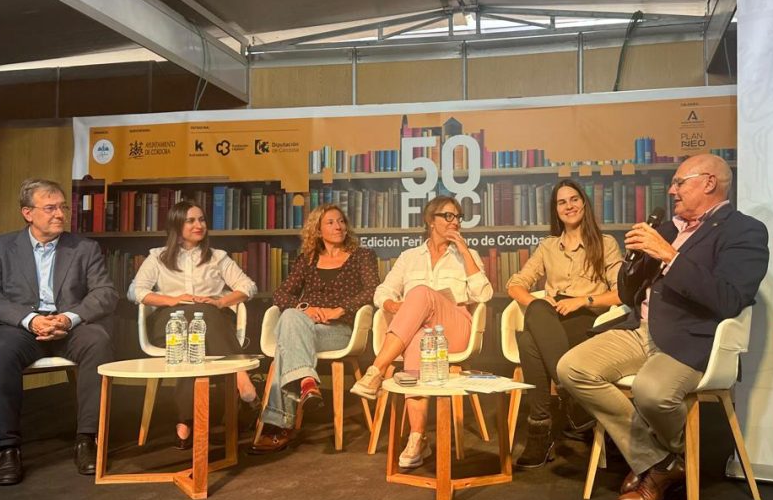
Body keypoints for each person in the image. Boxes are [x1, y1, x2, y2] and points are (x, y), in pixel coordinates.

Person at [557, 154, 768, 500]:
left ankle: (656, 466)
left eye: (679, 183)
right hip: (640, 329)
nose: (672, 190)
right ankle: (663, 462)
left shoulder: (744, 231)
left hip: (692, 337)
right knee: (572, 368)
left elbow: (729, 299)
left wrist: (670, 256)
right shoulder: (668, 228)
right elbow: (627, 294)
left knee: (651, 391)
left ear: (709, 183)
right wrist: (633, 261)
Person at [0, 178, 118, 486]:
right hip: (21, 328)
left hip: (69, 327)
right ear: (28, 213)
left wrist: (68, 318)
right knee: (0, 353)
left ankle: (87, 440)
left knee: (98, 341)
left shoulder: (84, 247)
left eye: (63, 207)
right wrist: (28, 319)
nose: (60, 214)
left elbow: (105, 292)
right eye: (50, 208)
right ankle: (7, 448)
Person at [351, 195, 493, 469]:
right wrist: (397, 305)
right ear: (431, 221)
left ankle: (375, 370)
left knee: (420, 292)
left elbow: (484, 294)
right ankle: (418, 438)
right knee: (417, 338)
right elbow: (382, 293)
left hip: (455, 328)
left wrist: (463, 250)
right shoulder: (409, 257)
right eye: (448, 216)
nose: (455, 222)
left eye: (458, 217)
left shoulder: (468, 255)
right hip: (424, 336)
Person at [506, 179, 623, 468]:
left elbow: (622, 292)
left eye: (574, 199)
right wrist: (534, 302)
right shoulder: (547, 247)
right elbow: (516, 283)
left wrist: (583, 300)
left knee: (528, 340)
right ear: (555, 210)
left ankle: (540, 430)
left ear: (584, 203)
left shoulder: (605, 243)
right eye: (562, 202)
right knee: (537, 312)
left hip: (588, 318)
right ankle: (571, 394)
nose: (569, 206)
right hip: (552, 314)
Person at [249, 204, 379, 454]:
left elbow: (373, 290)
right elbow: (281, 293)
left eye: (341, 221)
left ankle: (280, 426)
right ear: (318, 230)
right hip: (305, 327)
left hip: (339, 330)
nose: (338, 226)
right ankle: (307, 381)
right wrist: (306, 308)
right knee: (291, 316)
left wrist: (339, 310)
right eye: (331, 222)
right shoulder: (307, 260)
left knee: (287, 337)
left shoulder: (363, 256)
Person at [131, 200, 257, 449]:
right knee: (195, 321)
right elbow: (135, 291)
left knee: (203, 318)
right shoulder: (157, 257)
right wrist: (173, 300)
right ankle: (242, 378)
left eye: (201, 220)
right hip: (170, 323)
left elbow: (248, 287)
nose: (199, 225)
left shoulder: (217, 257)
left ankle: (185, 421)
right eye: (191, 220)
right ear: (177, 225)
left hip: (210, 326)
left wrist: (220, 302)